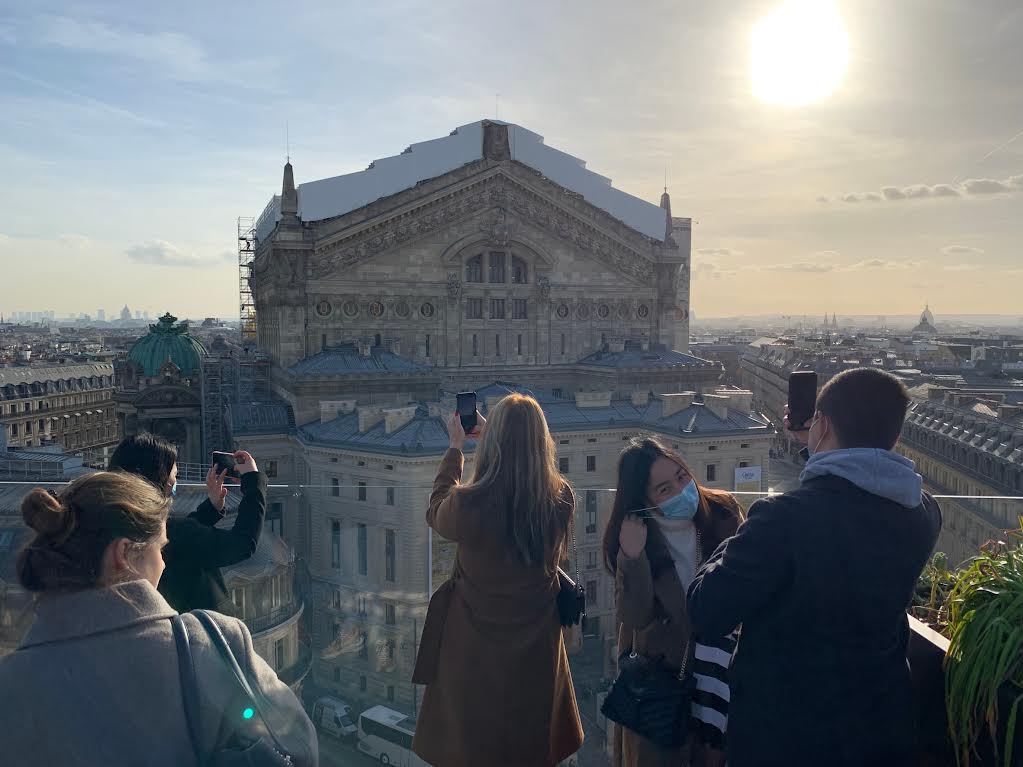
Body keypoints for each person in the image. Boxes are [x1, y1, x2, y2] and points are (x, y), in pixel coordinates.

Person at [687, 367, 942, 767]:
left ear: (821, 424)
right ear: (895, 436)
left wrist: (732, 540)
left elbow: (706, 610)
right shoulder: (924, 513)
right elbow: (856, 499)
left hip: (786, 735)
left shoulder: (782, 519)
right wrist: (817, 446)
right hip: (881, 727)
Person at [0, 471, 316, 766]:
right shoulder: (209, 644)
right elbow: (301, 747)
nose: (164, 564)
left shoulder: (10, 683)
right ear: (123, 554)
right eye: (160, 551)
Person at [411, 394, 583, 767]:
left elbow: (436, 508)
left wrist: (457, 448)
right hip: (537, 646)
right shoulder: (561, 499)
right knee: (529, 741)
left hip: (473, 647)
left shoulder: (469, 504)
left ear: (493, 443)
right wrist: (500, 438)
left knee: (473, 743)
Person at [603, 437, 744, 767]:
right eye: (664, 489)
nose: (683, 491)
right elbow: (634, 616)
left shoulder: (723, 512)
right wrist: (633, 557)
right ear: (644, 501)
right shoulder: (638, 538)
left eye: (682, 477)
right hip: (666, 686)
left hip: (723, 678)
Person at [108, 433, 266, 614]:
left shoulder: (119, 525)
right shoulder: (176, 533)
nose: (175, 484)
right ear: (161, 483)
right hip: (206, 629)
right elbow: (243, 544)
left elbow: (179, 540)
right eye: (174, 478)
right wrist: (254, 482)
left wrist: (212, 508)